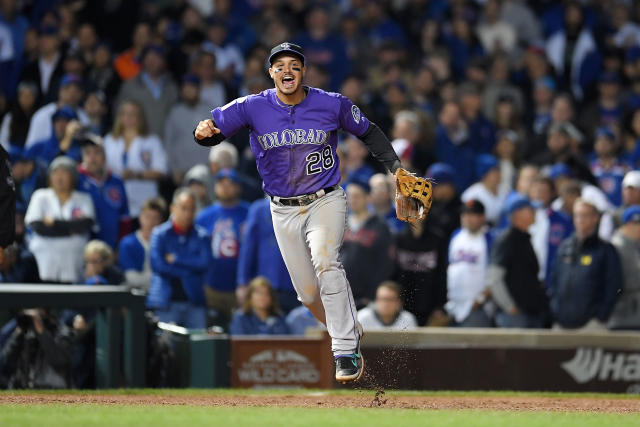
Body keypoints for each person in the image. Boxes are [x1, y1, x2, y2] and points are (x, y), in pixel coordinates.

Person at [194, 42, 403, 383]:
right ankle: (346, 326)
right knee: (307, 295)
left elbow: (369, 132)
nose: (287, 70)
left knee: (325, 261)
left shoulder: (331, 103)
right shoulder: (252, 106)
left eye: (294, 64)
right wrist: (202, 132)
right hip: (282, 210)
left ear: (303, 71)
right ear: (271, 73)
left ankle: (345, 348)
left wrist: (394, 167)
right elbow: (212, 131)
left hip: (325, 199)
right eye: (280, 65)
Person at [549, 198, 622, 330]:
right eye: (577, 215)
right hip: (561, 323)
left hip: (591, 325)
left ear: (595, 218)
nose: (580, 220)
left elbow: (614, 286)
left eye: (585, 215)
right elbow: (554, 281)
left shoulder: (605, 250)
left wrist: (600, 317)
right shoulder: (565, 247)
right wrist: (555, 310)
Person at [146, 189, 211, 329]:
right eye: (183, 208)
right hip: (165, 301)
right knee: (164, 348)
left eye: (191, 209)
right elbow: (158, 266)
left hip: (194, 301)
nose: (188, 214)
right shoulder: (159, 234)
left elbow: (204, 263)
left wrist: (177, 259)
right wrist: (190, 269)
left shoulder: (202, 236)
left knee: (199, 347)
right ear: (172, 208)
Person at [24, 156, 95, 283]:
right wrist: (70, 229)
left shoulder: (83, 198)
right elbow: (37, 226)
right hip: (43, 260)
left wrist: (54, 223)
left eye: (64, 172)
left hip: (73, 260)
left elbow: (85, 224)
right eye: (55, 172)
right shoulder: (40, 196)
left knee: (69, 300)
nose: (59, 177)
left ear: (73, 177)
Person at [196, 168, 249, 325]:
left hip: (242, 286)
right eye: (221, 183)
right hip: (211, 286)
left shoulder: (249, 212)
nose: (225, 187)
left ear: (238, 187)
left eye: (230, 183)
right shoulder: (204, 216)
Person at [487, 195, 549, 328]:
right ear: (518, 214)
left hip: (529, 313)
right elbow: (494, 278)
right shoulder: (506, 240)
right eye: (530, 210)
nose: (534, 213)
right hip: (515, 317)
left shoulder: (524, 238)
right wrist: (510, 307)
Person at [103, 100, 167, 217]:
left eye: (133, 114)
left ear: (140, 118)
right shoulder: (109, 140)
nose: (128, 118)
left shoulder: (151, 141)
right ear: (120, 117)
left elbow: (161, 170)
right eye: (125, 114)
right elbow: (102, 169)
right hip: (115, 201)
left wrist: (136, 175)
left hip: (144, 201)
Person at [237, 196, 297, 315]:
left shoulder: (303, 205)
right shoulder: (258, 209)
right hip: (266, 287)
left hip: (296, 285)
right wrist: (242, 282)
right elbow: (248, 248)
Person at [342, 179, 394, 309]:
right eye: (349, 196)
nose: (352, 200)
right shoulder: (340, 223)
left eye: (356, 196)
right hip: (340, 296)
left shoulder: (380, 227)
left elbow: (385, 265)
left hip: (365, 299)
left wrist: (371, 295)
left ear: (368, 198)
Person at [76, 134, 130, 250]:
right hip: (83, 249)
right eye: (88, 153)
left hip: (111, 248)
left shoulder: (116, 182)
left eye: (96, 152)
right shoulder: (75, 179)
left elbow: (124, 218)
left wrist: (120, 247)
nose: (92, 158)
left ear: (104, 156)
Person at [446, 200, 493, 327]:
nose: (467, 218)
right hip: (454, 306)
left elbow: (495, 275)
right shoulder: (456, 236)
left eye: (472, 215)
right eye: (464, 214)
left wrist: (481, 299)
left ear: (482, 217)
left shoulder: (490, 239)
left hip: (477, 308)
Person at [0, 308, 74, 389]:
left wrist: (41, 332)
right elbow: (5, 362)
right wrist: (19, 333)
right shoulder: (23, 331)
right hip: (22, 390)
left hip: (51, 389)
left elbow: (59, 361)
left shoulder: (62, 331)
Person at [117, 197, 166, 293]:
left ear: (161, 221)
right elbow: (132, 279)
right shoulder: (127, 243)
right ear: (140, 217)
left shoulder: (166, 243)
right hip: (133, 297)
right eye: (147, 217)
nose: (151, 222)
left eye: (155, 218)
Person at [609, 205, 640, 329]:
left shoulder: (634, 245)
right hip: (621, 314)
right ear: (631, 224)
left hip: (633, 314)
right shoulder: (617, 246)